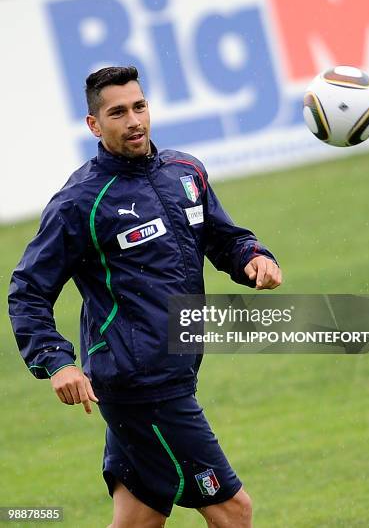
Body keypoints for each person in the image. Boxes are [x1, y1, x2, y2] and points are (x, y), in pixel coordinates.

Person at [8, 66, 282, 528]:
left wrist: (253, 257)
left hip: (172, 372)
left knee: (139, 519)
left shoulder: (184, 171)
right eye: (117, 112)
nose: (134, 120)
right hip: (141, 387)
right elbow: (28, 289)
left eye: (140, 106)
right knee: (234, 511)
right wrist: (57, 360)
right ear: (94, 124)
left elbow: (223, 237)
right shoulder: (80, 203)